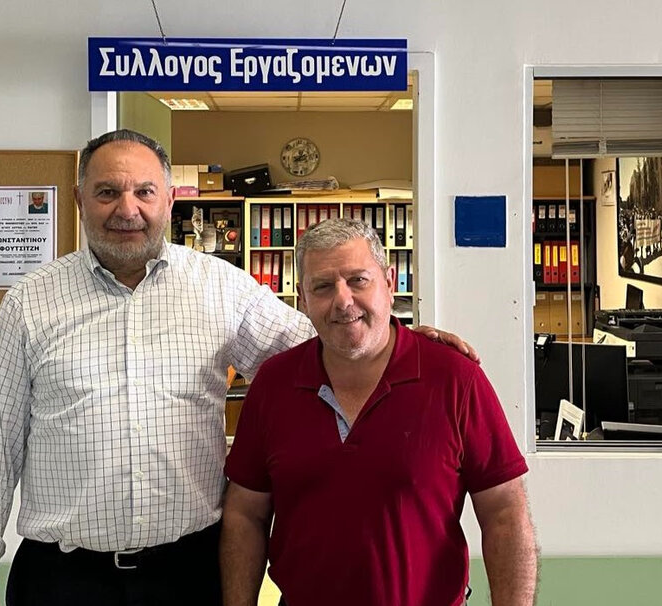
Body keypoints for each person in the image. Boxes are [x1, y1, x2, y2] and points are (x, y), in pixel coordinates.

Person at [0, 130, 476, 606]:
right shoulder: (30, 303)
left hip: (188, 573)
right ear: (80, 198)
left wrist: (403, 343)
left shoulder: (220, 287)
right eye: (107, 192)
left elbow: (322, 347)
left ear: (169, 200)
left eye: (144, 192)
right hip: (63, 579)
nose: (127, 209)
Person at [221, 218, 536, 606]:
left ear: (389, 283)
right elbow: (245, 513)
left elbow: (505, 511)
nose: (343, 301)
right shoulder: (274, 384)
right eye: (323, 286)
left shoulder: (455, 379)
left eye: (358, 280)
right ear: (302, 299)